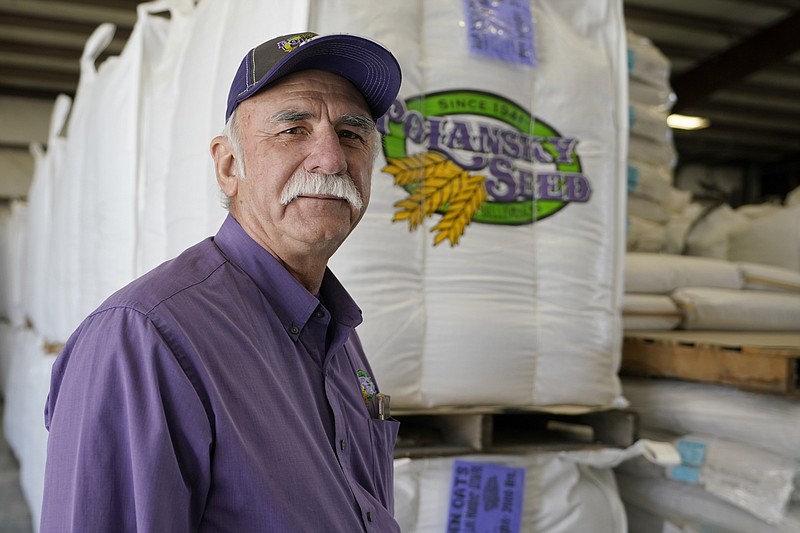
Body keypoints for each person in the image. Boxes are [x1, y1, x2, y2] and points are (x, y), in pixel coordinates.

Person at [40, 31, 403, 532]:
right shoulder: (143, 339)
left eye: (352, 134)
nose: (332, 158)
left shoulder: (336, 332)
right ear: (229, 166)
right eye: (294, 130)